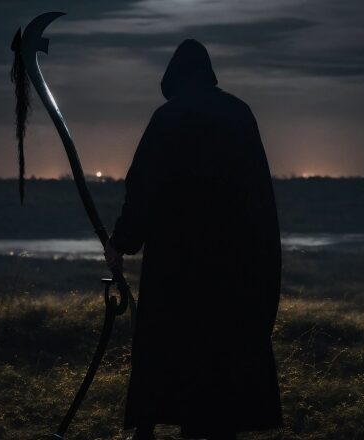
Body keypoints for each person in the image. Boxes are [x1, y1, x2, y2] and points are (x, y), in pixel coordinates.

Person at [104, 39, 282, 440]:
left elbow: (142, 190)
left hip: (175, 276)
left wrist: (122, 241)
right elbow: (259, 202)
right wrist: (262, 275)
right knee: (221, 379)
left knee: (175, 362)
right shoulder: (240, 116)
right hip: (231, 276)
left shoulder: (167, 119)